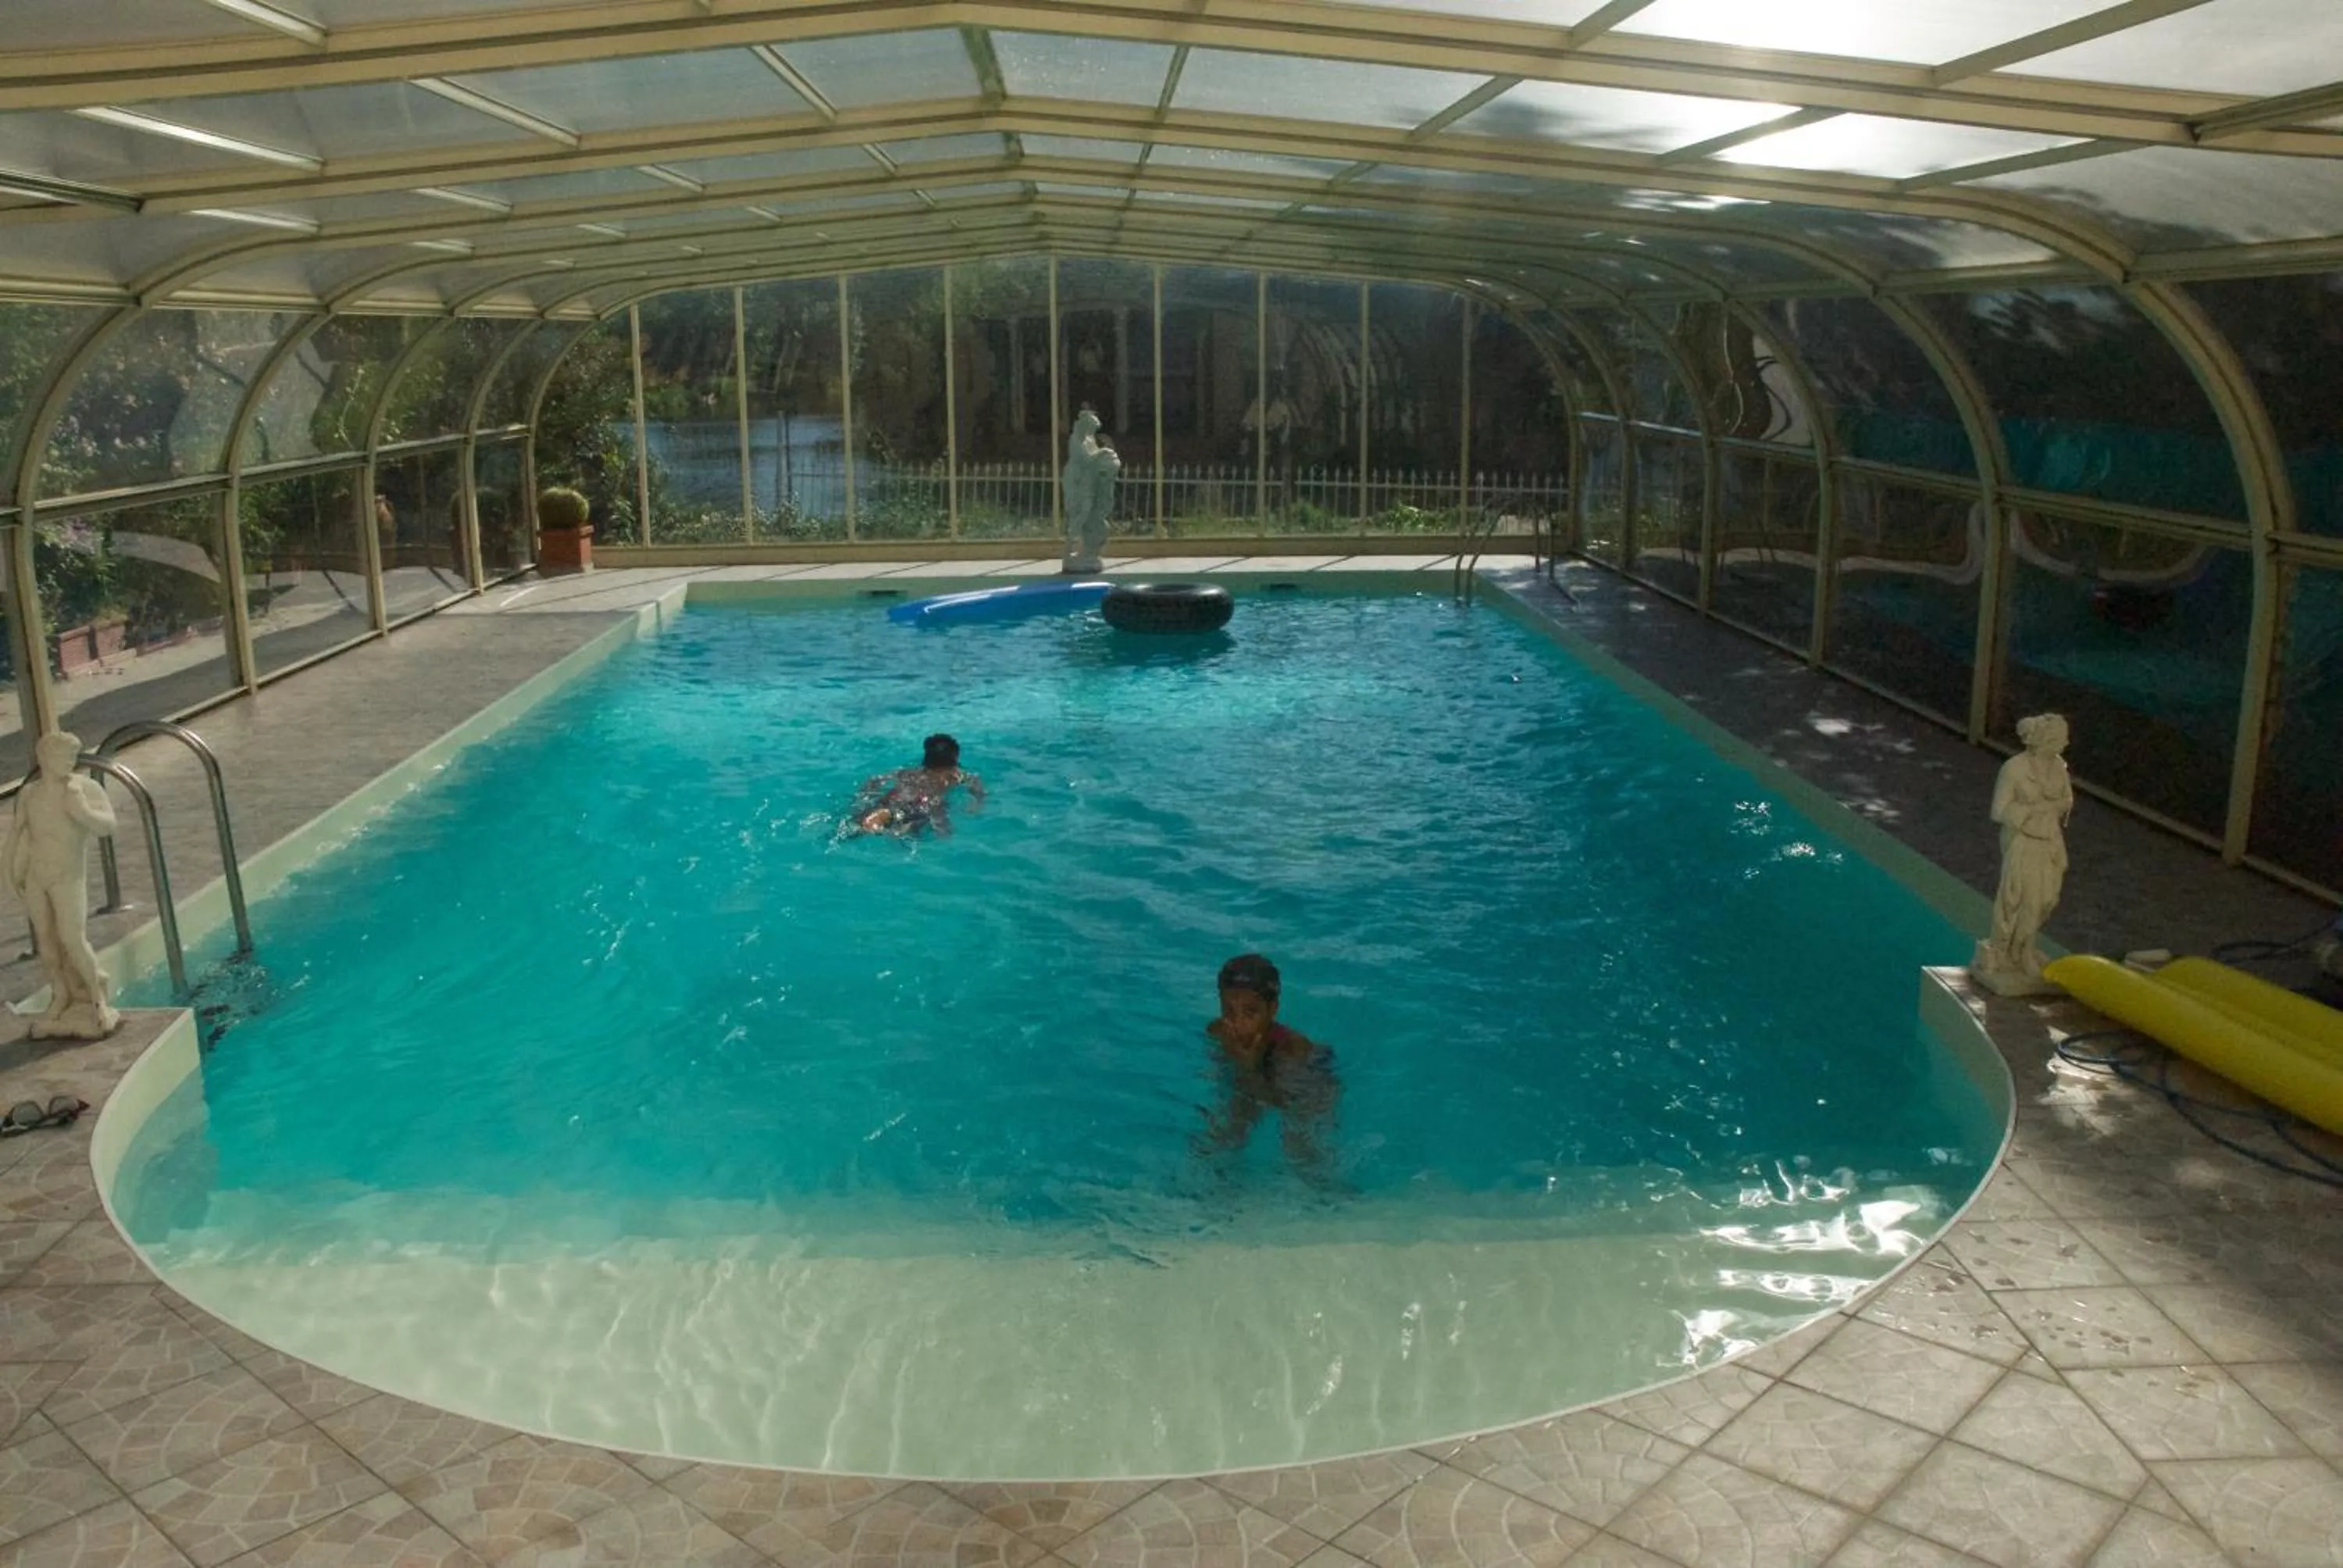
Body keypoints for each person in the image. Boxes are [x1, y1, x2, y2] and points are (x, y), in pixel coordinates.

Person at [1200, 953, 1338, 1171]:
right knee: (1222, 1134)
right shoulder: (1218, 1031)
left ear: (1272, 1009)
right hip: (1257, 1075)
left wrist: (1247, 1067)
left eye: (1250, 1012)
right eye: (1229, 1010)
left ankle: (1330, 1194)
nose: (1238, 1023)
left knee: (1300, 1147)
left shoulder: (1293, 1049)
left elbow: (1277, 1102)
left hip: (1312, 1072)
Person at [849, 733, 984, 838]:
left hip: (895, 795)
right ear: (955, 757)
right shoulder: (956, 775)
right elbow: (977, 791)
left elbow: (875, 781)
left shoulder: (909, 772)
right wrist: (975, 806)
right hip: (921, 801)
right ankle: (897, 828)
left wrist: (864, 796)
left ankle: (880, 818)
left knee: (890, 811)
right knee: (922, 823)